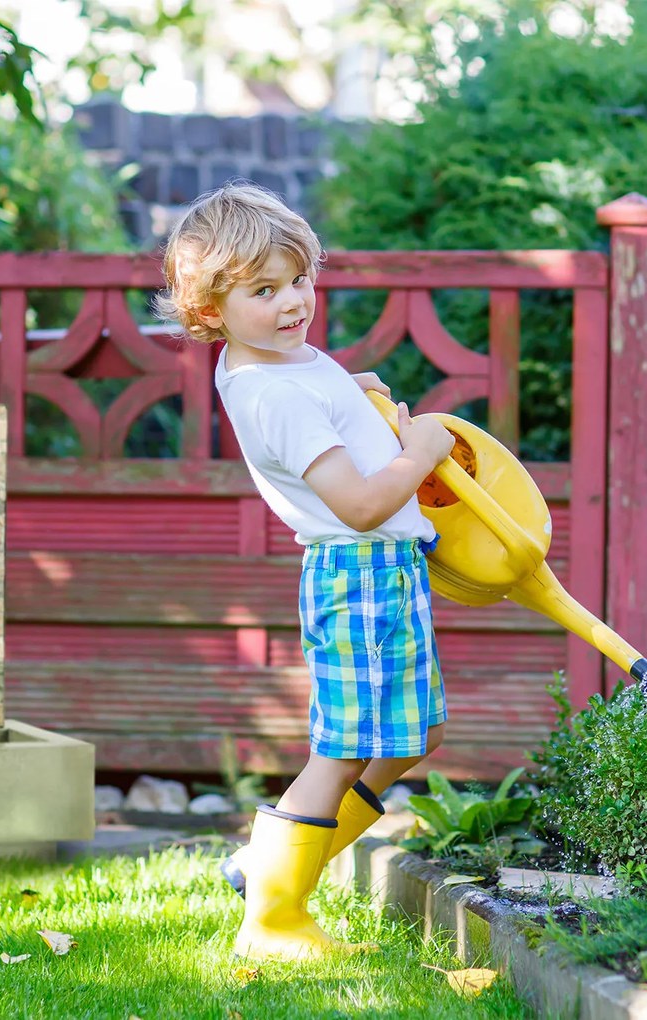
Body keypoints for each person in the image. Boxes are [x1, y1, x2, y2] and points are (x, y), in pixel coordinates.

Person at [157, 183, 455, 961]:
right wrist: (421, 451)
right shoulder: (275, 391)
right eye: (264, 290)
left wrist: (353, 398)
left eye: (299, 279)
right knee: (345, 748)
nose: (293, 303)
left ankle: (269, 866)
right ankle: (275, 917)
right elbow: (357, 503)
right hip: (358, 571)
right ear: (211, 310)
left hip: (388, 569)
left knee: (417, 733)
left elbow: (312, 405)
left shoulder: (278, 361)